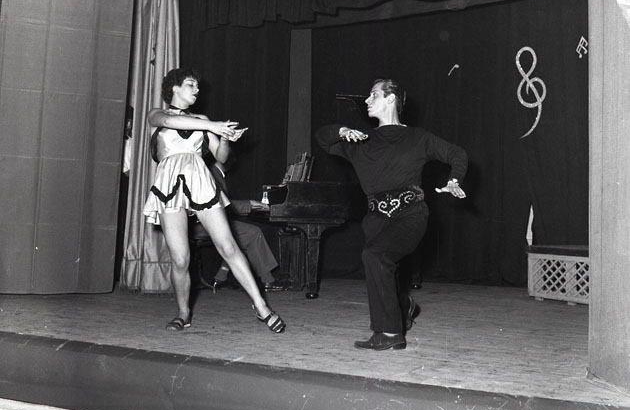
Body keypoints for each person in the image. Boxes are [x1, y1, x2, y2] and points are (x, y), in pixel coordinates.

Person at [315, 78, 467, 351]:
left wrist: (454, 180)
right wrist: (342, 130)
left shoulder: (418, 138)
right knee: (384, 268)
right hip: (376, 218)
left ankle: (389, 333)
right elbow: (322, 138)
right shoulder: (360, 140)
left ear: (391, 98)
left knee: (375, 256)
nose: (366, 100)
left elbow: (457, 154)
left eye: (373, 94)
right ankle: (403, 305)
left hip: (411, 214)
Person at [143, 68, 285, 334]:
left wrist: (226, 138)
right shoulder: (157, 114)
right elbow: (171, 121)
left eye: (197, 86)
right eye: (191, 84)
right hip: (169, 184)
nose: (197, 90)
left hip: (200, 181)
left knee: (229, 246)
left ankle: (261, 306)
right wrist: (212, 126)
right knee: (180, 259)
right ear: (174, 88)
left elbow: (220, 156)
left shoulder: (203, 120)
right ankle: (183, 313)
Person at [207, 160, 284, 293]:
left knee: (242, 236)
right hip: (205, 224)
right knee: (252, 233)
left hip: (211, 221)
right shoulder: (212, 174)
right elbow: (221, 204)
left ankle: (221, 277)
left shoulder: (217, 173)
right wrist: (251, 204)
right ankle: (268, 280)